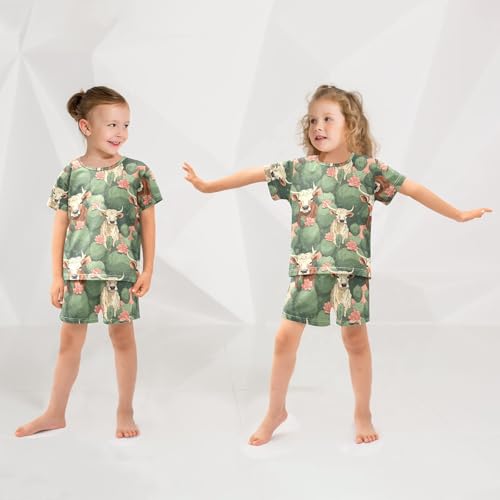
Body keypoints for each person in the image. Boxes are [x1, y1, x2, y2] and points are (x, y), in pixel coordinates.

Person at [183, 84, 492, 445]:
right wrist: (208, 186)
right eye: (313, 120)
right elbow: (255, 174)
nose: (319, 126)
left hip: (351, 272)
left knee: (355, 341)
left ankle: (363, 413)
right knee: (283, 339)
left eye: (328, 119)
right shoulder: (299, 169)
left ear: (351, 125)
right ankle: (274, 412)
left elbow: (415, 189)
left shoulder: (368, 169)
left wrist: (458, 214)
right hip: (307, 270)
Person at [16, 86, 163, 439]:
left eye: (126, 125)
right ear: (86, 127)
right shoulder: (71, 173)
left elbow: (148, 222)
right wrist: (56, 276)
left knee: (123, 340)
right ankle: (55, 412)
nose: (120, 133)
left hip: (120, 274)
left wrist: (148, 269)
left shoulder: (137, 172)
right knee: (69, 344)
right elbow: (60, 227)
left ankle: (125, 410)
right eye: (112, 125)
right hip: (77, 273)